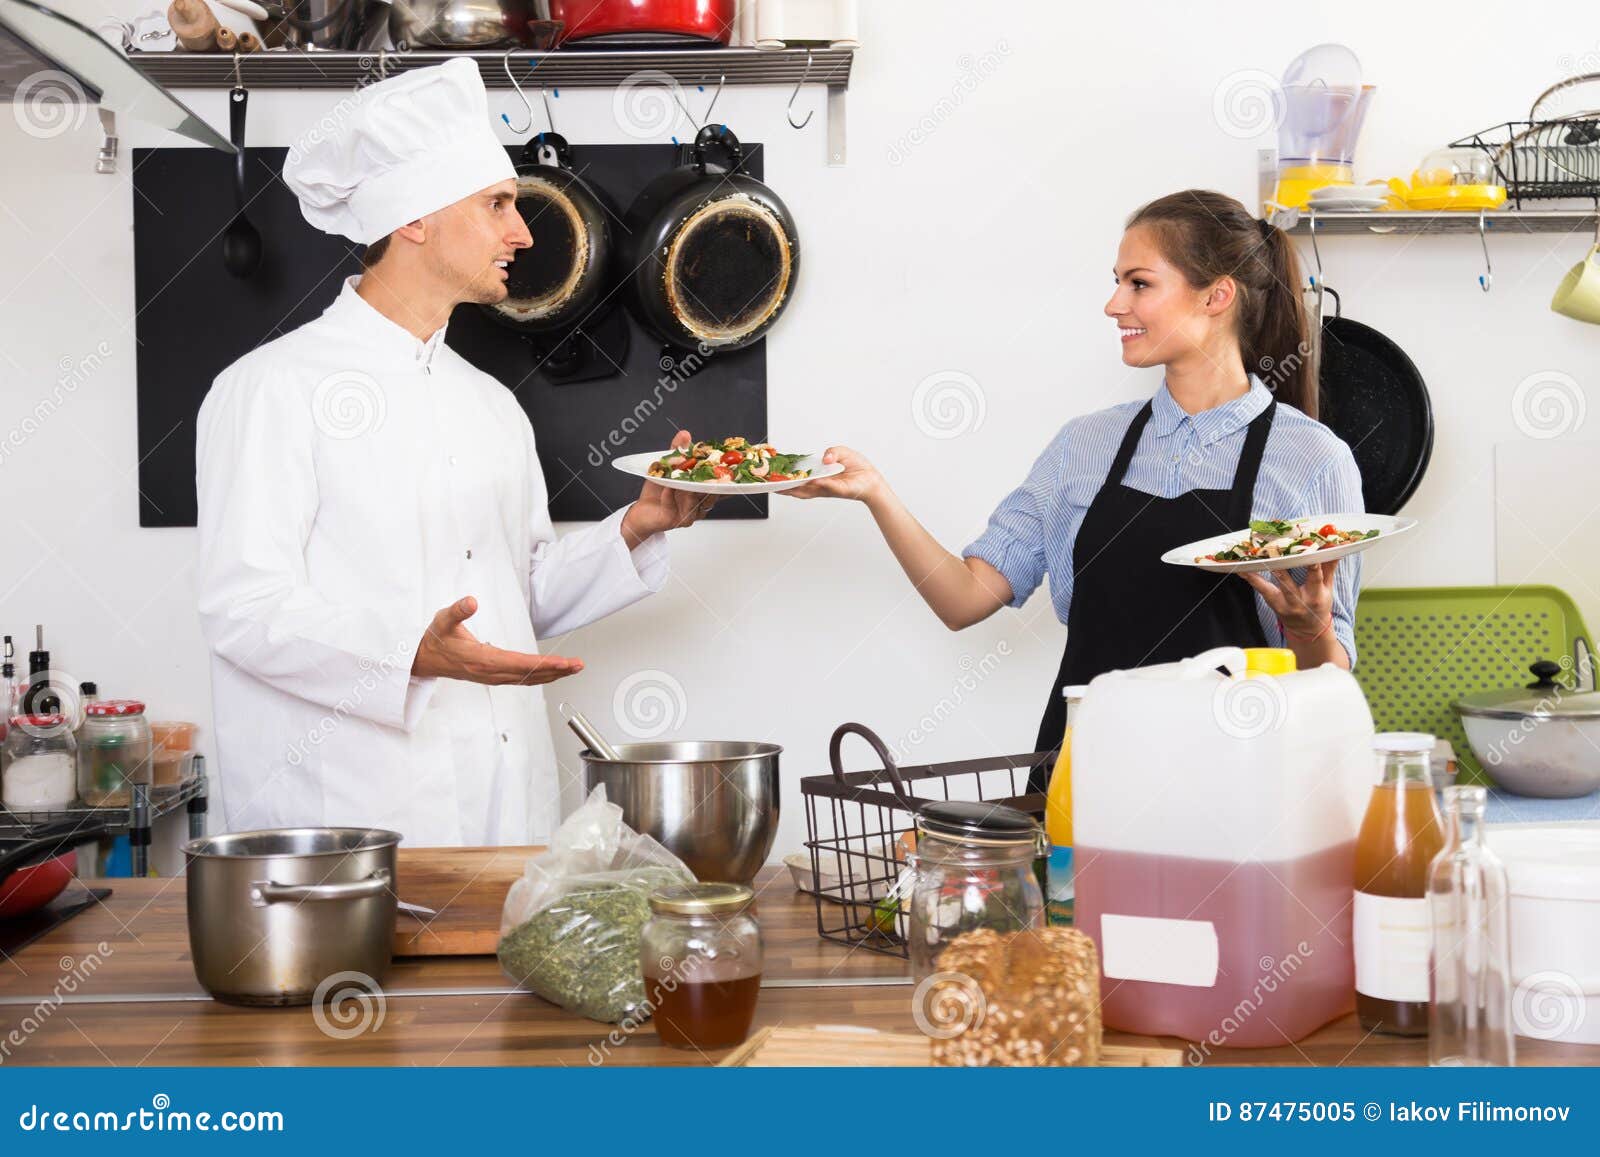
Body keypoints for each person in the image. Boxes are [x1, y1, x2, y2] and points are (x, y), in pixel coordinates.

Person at [194, 60, 711, 844]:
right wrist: (409, 651)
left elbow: (516, 595)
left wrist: (636, 528)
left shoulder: (489, 404)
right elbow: (245, 609)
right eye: (497, 204)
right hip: (352, 822)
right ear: (413, 219)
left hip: (505, 813)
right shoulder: (270, 390)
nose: (524, 233)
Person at [787, 189, 1364, 758]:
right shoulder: (1084, 446)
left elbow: (1329, 682)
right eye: (1117, 282)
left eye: (1139, 283)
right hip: (1084, 776)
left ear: (1217, 295)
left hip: (1236, 784)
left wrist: (1310, 631)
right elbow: (963, 599)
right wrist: (875, 493)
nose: (1114, 304)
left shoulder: (1312, 460)